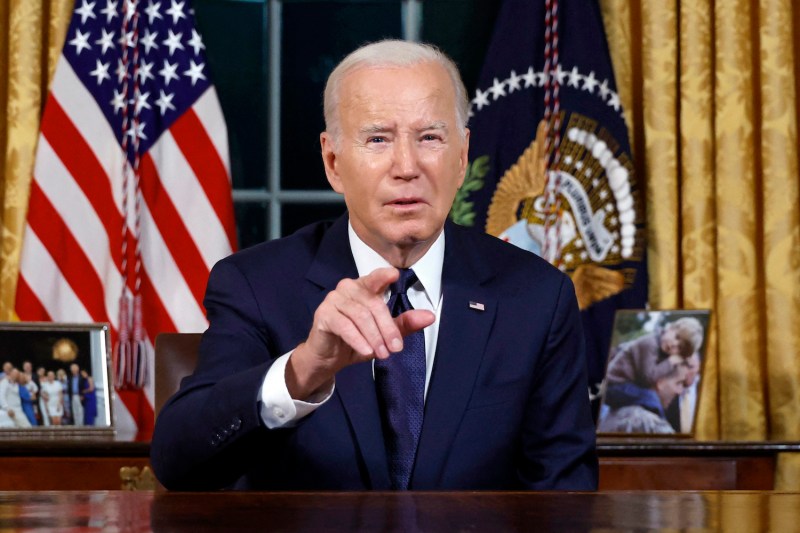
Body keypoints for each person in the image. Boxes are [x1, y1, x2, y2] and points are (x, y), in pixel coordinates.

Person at [151, 39, 598, 491]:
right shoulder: (256, 285)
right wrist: (303, 370)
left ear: (461, 158)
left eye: (430, 138)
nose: (407, 166)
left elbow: (565, 495)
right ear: (333, 162)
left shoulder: (537, 296)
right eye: (378, 139)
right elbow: (180, 462)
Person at [603, 317, 704, 411]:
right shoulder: (650, 343)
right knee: (650, 398)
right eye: (677, 337)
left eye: (679, 347)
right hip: (613, 384)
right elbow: (648, 377)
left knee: (650, 397)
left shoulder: (662, 350)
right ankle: (659, 426)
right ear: (670, 328)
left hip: (625, 385)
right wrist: (671, 361)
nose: (673, 344)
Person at [598, 361, 688, 434]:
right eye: (678, 383)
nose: (680, 391)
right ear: (660, 382)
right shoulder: (648, 423)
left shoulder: (610, 414)